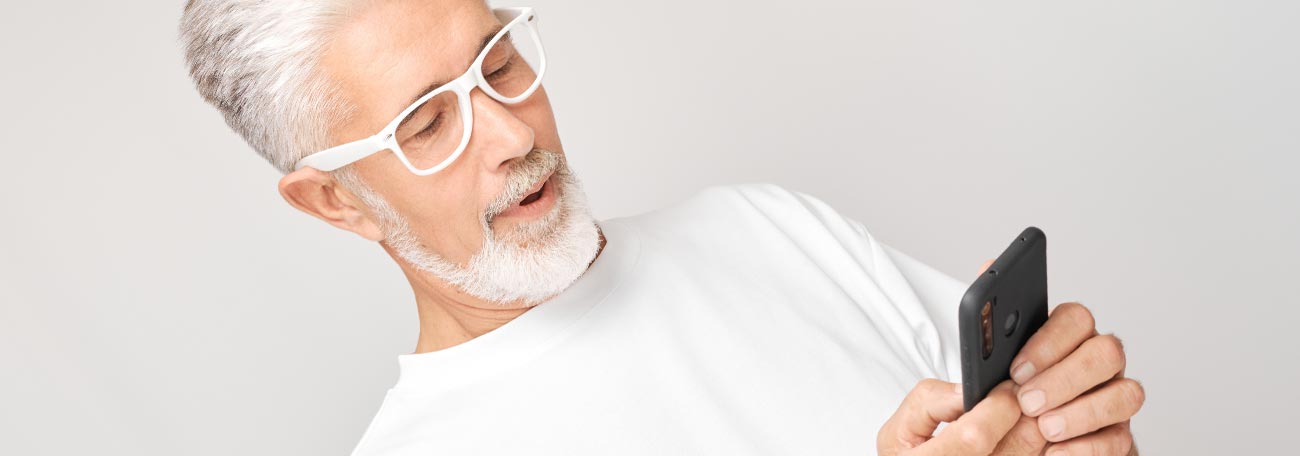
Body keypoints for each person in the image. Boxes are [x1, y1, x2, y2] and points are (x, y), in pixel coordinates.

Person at [179, 1, 1144, 454]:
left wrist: (1082, 432)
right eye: (429, 122)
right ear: (334, 200)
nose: (514, 132)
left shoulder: (764, 229)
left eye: (501, 62)